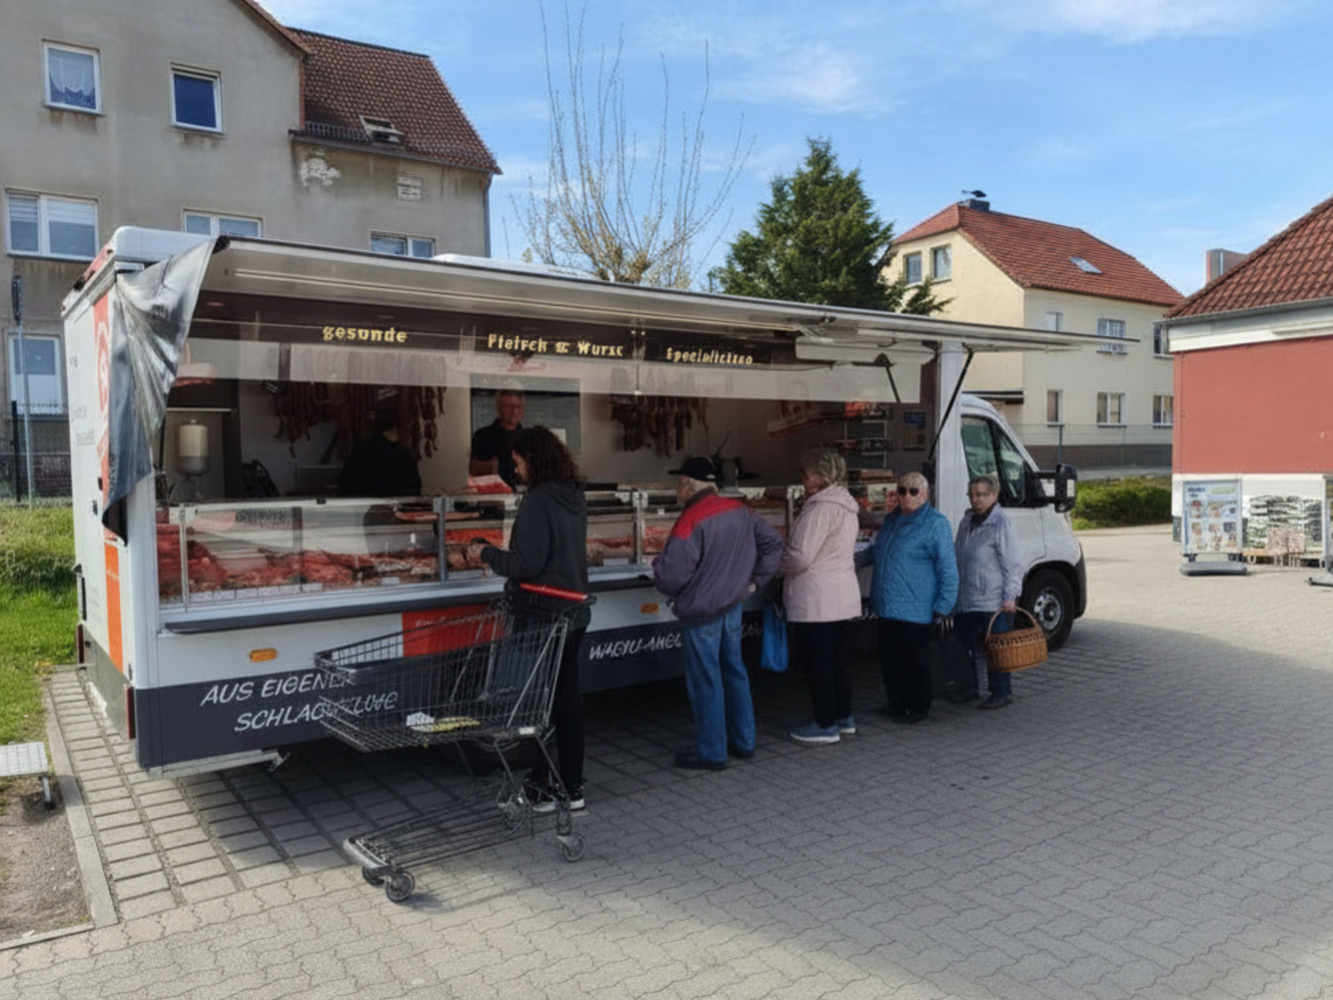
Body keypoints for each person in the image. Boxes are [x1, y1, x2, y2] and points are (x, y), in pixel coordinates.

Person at [466, 426, 591, 811]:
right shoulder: (573, 494)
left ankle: (542, 790)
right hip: (573, 614)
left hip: (542, 615)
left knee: (539, 705)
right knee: (564, 705)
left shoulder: (537, 500)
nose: (515, 471)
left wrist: (484, 554)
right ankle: (568, 788)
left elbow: (526, 563)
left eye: (518, 463)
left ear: (533, 459)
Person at [653, 456, 783, 770]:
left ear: (687, 484)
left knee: (705, 680)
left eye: (678, 483)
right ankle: (744, 741)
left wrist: (657, 565)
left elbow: (670, 576)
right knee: (734, 670)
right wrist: (754, 582)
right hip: (732, 605)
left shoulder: (690, 519)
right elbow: (774, 544)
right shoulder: (742, 511)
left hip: (703, 611)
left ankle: (711, 752)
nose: (677, 489)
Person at [856, 470, 958, 724]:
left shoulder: (935, 524)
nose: (907, 496)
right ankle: (897, 704)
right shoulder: (892, 520)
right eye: (901, 490)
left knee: (915, 661)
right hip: (887, 606)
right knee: (891, 660)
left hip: (917, 608)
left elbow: (948, 569)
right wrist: (851, 560)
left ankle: (918, 706)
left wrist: (944, 606)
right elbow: (877, 551)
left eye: (913, 491)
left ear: (925, 494)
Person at [779, 448, 861, 746]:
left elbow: (800, 556)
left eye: (805, 474)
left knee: (817, 663)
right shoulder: (846, 505)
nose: (801, 479)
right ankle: (843, 717)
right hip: (840, 595)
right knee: (837, 660)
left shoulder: (820, 507)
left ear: (820, 477)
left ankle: (825, 723)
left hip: (816, 599)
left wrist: (779, 564)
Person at [954, 473, 1024, 710]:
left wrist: (1009, 596)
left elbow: (1012, 564)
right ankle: (969, 687)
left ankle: (1001, 692)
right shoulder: (967, 521)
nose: (976, 499)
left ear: (994, 495)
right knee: (964, 646)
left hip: (992, 600)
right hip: (966, 597)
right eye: (973, 495)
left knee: (997, 648)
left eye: (982, 494)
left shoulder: (1001, 523)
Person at [337, 404, 421, 498]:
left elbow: (344, 484)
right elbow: (413, 487)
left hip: (364, 507)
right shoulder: (401, 454)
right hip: (393, 506)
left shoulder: (361, 450)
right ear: (395, 428)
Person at [469, 390, 525, 489]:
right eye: (509, 406)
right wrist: (492, 467)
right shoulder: (483, 436)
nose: (514, 411)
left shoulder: (529, 437)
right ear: (499, 408)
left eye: (518, 407)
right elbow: (473, 469)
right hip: (493, 495)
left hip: (523, 494)